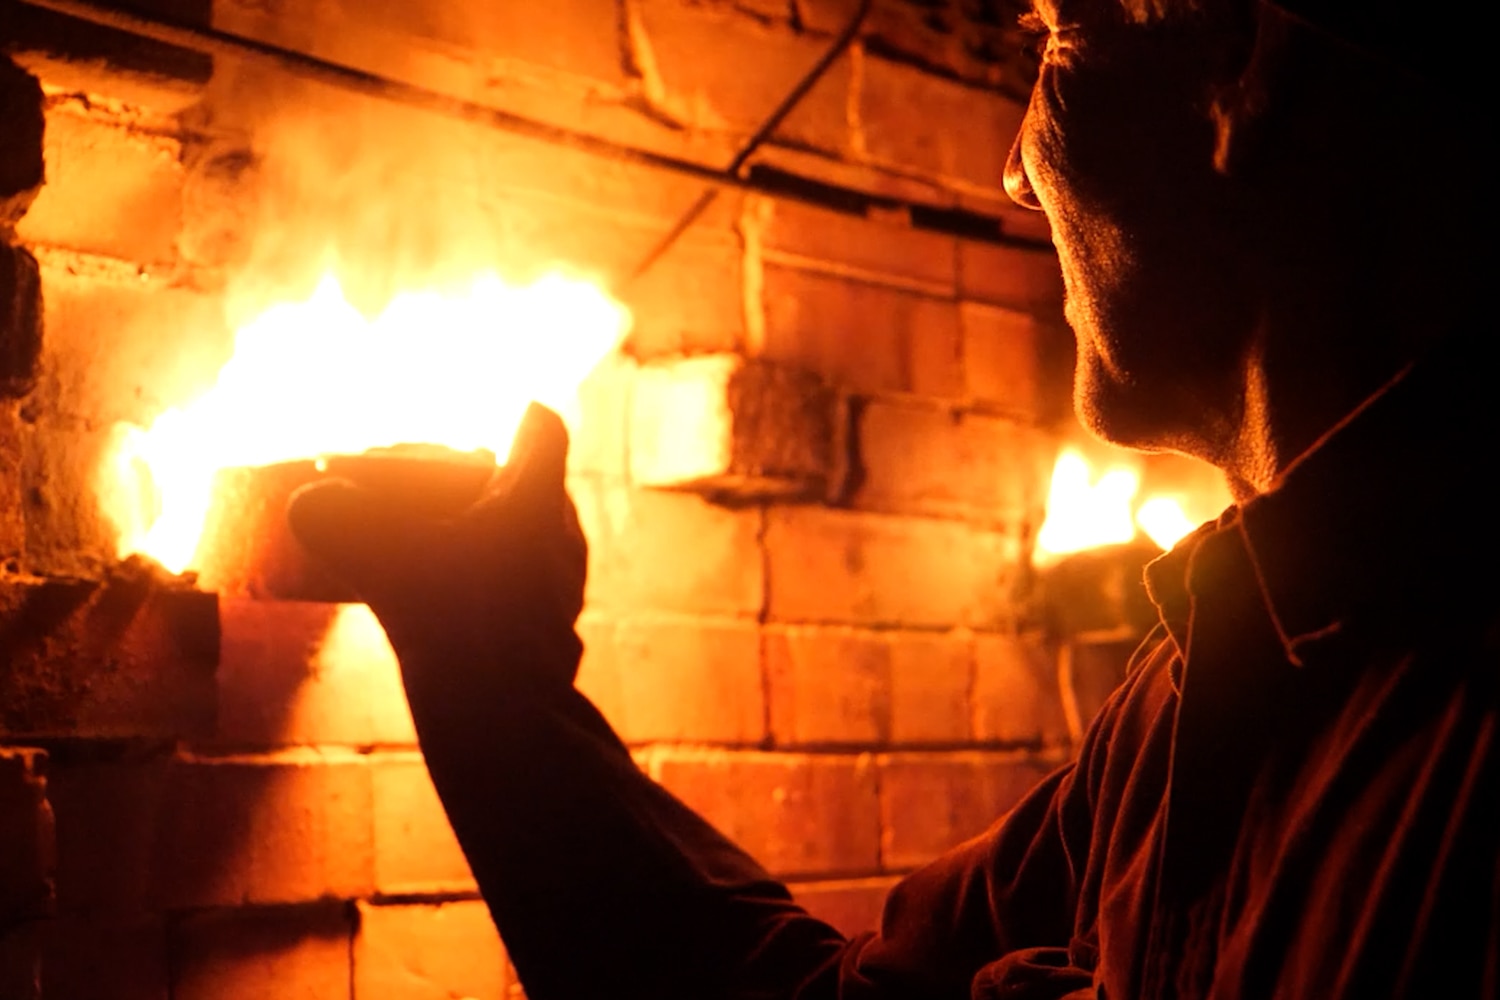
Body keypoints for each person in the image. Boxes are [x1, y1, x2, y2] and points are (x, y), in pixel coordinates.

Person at [288, 0, 1497, 996]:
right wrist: (491, 682)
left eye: (1054, 48)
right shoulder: (1195, 696)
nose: (1015, 169)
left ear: (1240, 68)